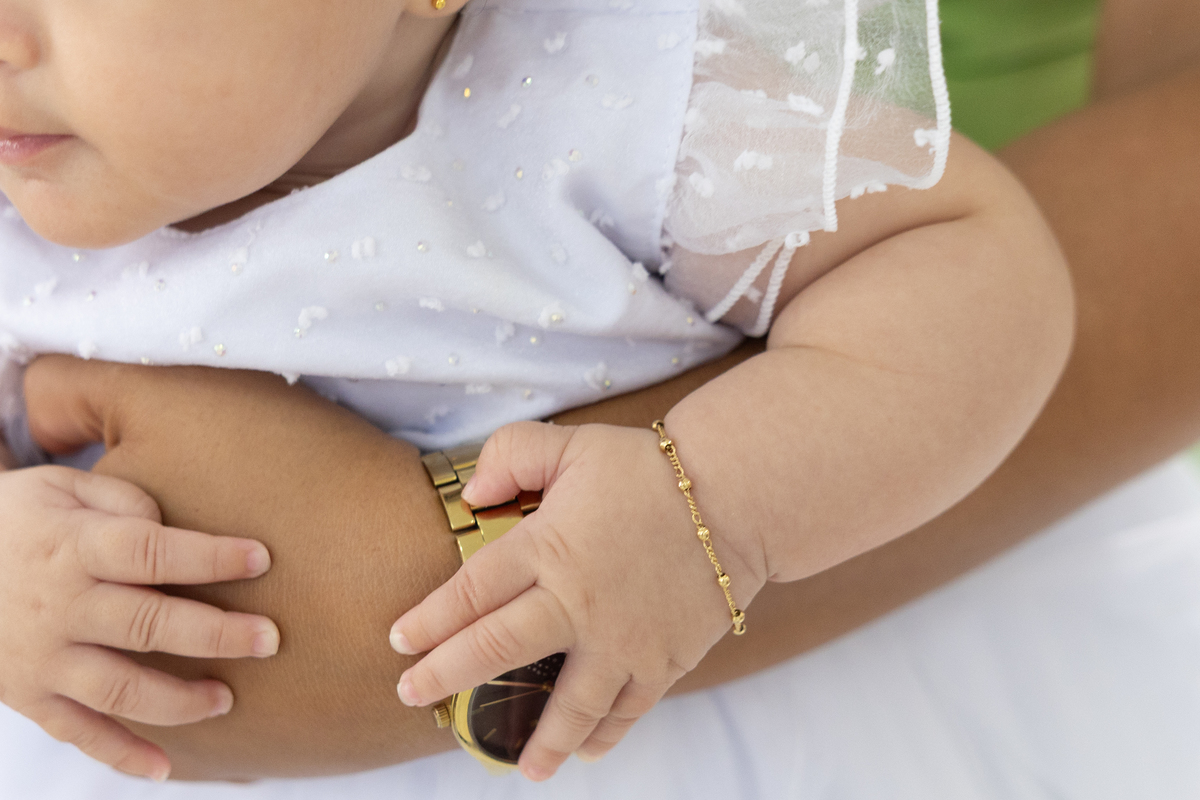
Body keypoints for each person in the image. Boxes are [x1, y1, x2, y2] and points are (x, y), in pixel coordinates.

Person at [2, 0, 1199, 799]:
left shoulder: (596, 104)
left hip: (706, 722)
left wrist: (711, 502)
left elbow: (965, 261)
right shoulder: (27, 179)